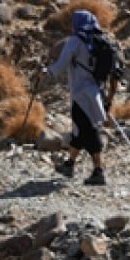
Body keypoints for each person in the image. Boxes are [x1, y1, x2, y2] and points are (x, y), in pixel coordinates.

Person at [47, 10, 117, 186]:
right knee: (80, 128)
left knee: (88, 130)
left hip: (81, 94)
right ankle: (69, 164)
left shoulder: (75, 41)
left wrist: (48, 72)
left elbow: (61, 65)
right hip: (96, 92)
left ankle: (98, 171)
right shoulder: (100, 40)